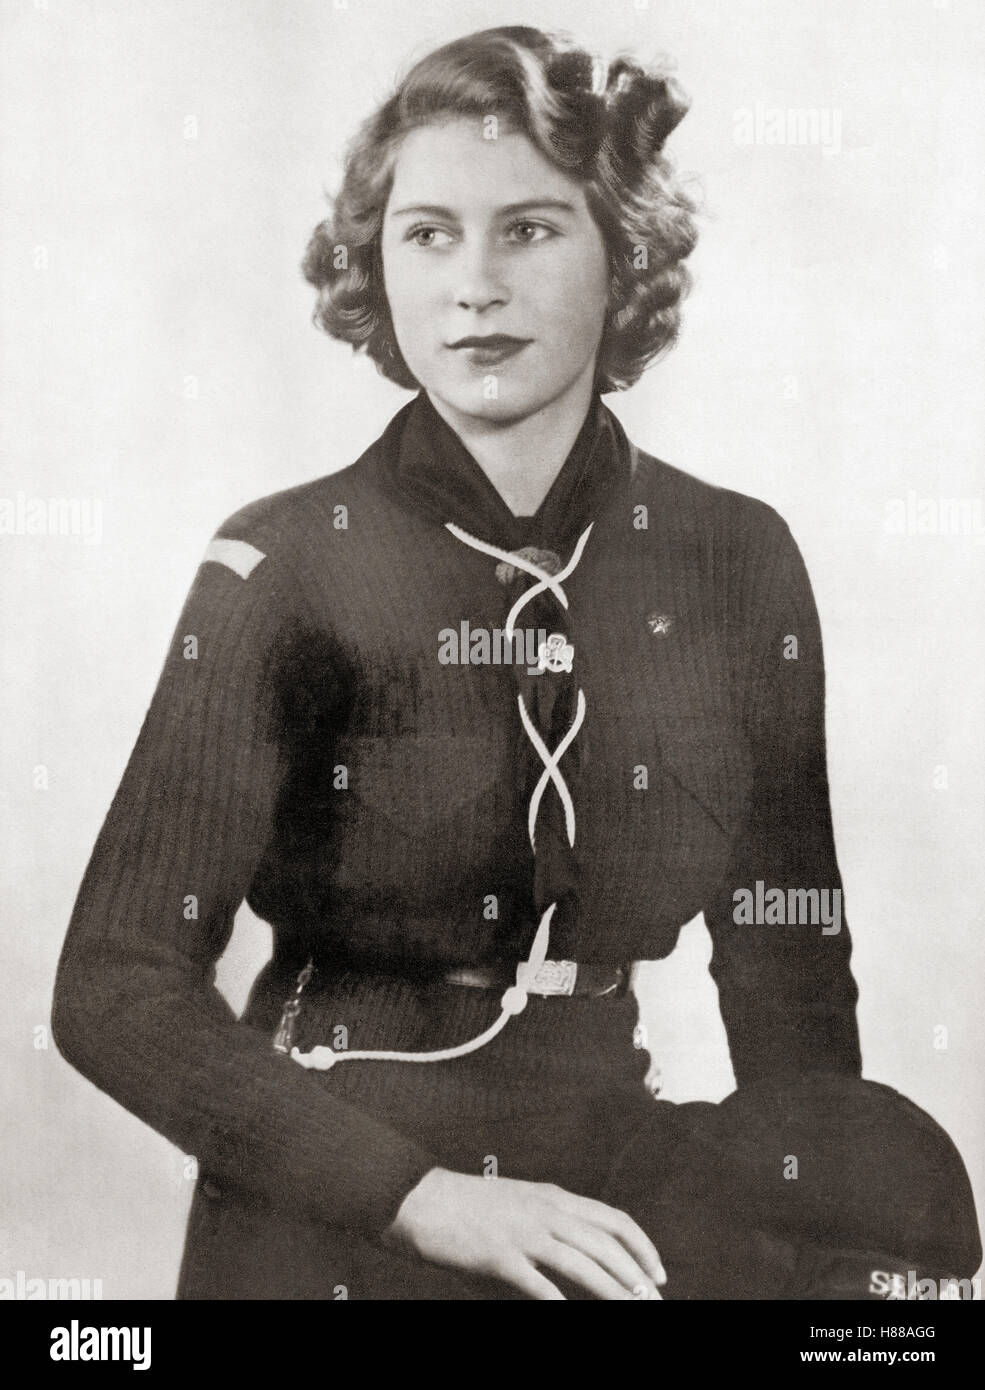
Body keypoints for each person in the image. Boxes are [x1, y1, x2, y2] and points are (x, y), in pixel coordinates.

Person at [52, 25, 979, 1301]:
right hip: (340, 1180)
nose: (473, 284)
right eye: (428, 234)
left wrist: (819, 1247)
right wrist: (421, 1203)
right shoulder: (282, 564)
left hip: (612, 1167)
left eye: (529, 229)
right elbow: (113, 987)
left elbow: (789, 967)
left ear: (625, 256)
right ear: (375, 265)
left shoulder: (733, 558)